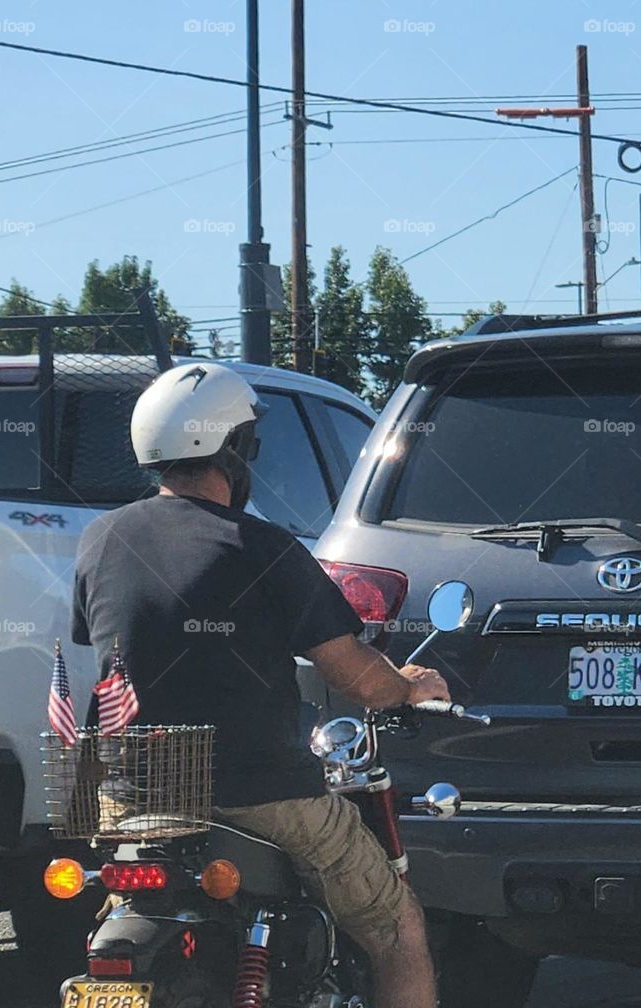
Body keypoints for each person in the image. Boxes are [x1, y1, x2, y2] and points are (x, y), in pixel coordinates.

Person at [73, 362, 450, 1008]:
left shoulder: (101, 540)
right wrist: (410, 686)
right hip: (259, 792)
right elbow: (355, 677)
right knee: (398, 930)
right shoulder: (262, 548)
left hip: (135, 793)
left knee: (118, 916)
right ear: (236, 450)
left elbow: (113, 653)